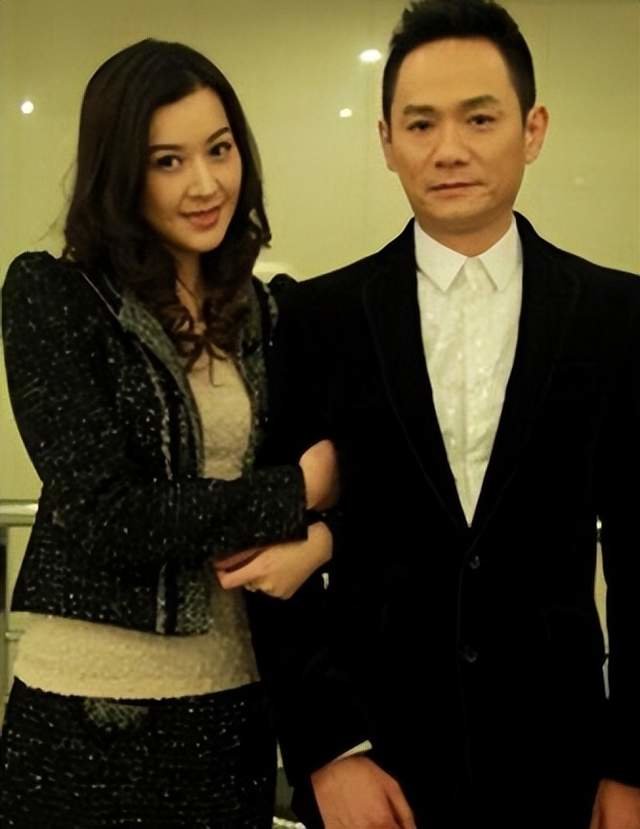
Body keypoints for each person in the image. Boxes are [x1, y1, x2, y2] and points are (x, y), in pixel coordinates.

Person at [231, 2, 640, 827]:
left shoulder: (615, 314)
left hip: (562, 765)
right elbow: (275, 556)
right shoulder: (317, 318)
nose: (449, 149)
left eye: (479, 118)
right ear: (387, 141)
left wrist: (631, 765)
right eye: (420, 124)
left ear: (532, 129)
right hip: (378, 766)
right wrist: (329, 749)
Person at [0, 39, 337, 828]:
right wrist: (298, 491)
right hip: (92, 710)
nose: (206, 183)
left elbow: (372, 466)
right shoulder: (55, 296)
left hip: (238, 699)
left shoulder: (270, 311)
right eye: (167, 161)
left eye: (219, 149)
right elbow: (109, 514)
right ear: (121, 173)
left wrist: (322, 537)